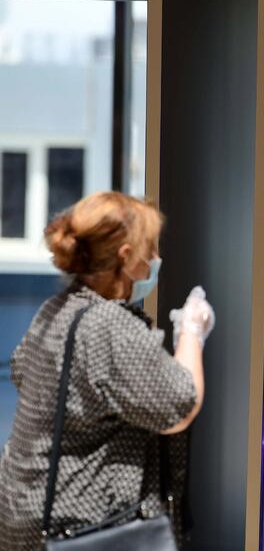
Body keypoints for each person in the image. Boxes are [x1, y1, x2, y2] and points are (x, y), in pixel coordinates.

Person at [0, 191, 215, 550]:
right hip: (86, 528)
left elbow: (23, 373)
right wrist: (192, 333)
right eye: (150, 247)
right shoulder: (108, 325)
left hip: (28, 521)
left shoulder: (56, 310)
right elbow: (179, 406)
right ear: (126, 256)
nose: (156, 258)